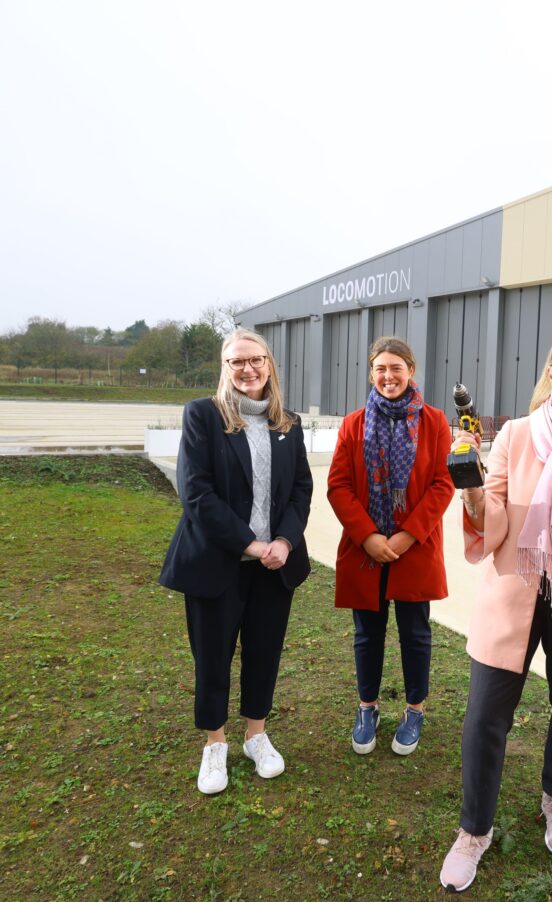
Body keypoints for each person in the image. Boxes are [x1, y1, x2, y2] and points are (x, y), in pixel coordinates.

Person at [439, 329, 552, 894]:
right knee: (484, 717)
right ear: (548, 372)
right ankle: (474, 830)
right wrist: (471, 495)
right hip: (516, 589)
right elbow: (492, 513)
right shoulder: (516, 436)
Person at [160, 328, 313, 795]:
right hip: (218, 563)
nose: (248, 369)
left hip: (273, 566)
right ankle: (215, 745)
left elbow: (300, 490)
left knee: (264, 653)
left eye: (256, 360)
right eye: (237, 361)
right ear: (225, 368)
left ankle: (256, 736)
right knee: (213, 657)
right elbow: (197, 493)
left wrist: (284, 542)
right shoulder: (203, 416)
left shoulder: (287, 422)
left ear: (269, 364)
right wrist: (250, 544)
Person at [326, 336, 454, 757]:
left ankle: (414, 708)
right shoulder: (354, 423)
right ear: (371, 373)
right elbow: (339, 486)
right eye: (380, 368)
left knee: (415, 633)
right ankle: (368, 707)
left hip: (413, 548)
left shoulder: (435, 422)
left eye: (396, 368)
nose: (388, 376)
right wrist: (368, 536)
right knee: (368, 634)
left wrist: (405, 535)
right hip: (366, 550)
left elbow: (442, 483)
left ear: (411, 371)